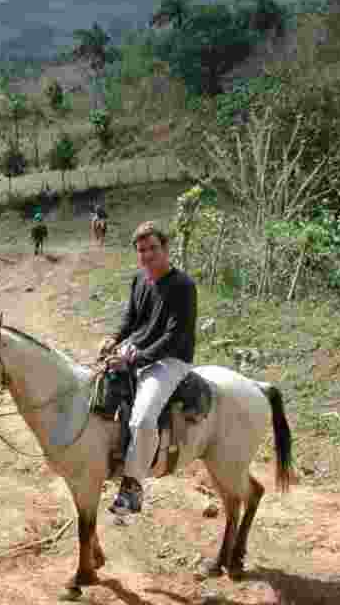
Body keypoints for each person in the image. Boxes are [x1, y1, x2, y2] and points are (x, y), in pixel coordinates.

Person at [97, 220, 197, 515]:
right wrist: (113, 340)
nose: (147, 256)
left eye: (153, 249)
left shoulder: (183, 286)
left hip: (170, 359)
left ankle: (132, 486)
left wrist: (132, 359)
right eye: (142, 251)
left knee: (142, 419)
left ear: (165, 249)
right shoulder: (140, 280)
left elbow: (173, 337)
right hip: (137, 350)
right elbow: (131, 320)